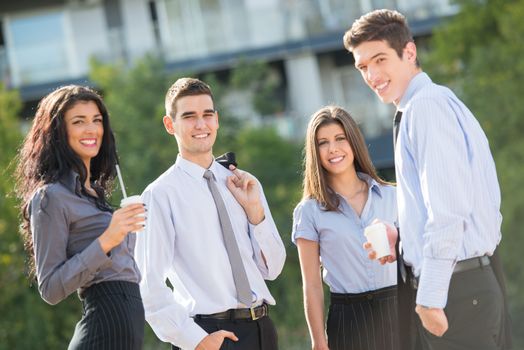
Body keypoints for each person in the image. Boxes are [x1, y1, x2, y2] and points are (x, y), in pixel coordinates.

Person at [344, 9, 511, 350]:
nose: (372, 75)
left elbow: (449, 209)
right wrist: (403, 237)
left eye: (380, 59)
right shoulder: (429, 105)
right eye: (363, 67)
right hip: (464, 285)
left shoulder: (426, 109)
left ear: (409, 52)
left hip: (455, 290)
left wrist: (431, 296)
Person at [134, 77, 286, 350]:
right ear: (170, 125)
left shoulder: (243, 183)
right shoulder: (160, 195)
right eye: (189, 116)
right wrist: (194, 340)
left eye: (207, 115)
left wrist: (255, 213)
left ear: (217, 119)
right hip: (207, 335)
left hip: (261, 330)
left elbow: (272, 269)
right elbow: (147, 283)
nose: (201, 124)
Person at [15, 85, 147, 349]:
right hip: (103, 325)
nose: (91, 129)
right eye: (79, 122)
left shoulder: (95, 196)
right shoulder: (51, 196)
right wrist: (107, 240)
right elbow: (50, 288)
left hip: (128, 324)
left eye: (97, 120)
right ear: (58, 132)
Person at [292, 105, 399, 350]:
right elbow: (312, 285)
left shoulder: (392, 197)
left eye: (340, 138)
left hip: (399, 308)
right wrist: (318, 341)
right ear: (314, 151)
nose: (333, 149)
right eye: (322, 143)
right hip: (349, 319)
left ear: (354, 142)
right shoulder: (309, 211)